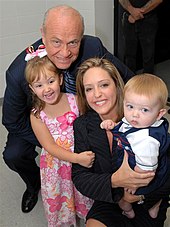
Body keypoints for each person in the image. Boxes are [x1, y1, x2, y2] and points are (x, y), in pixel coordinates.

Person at [2, 5, 134, 213]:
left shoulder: (92, 47)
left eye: (73, 42)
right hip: (41, 121)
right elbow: (11, 121)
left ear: (81, 38)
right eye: (56, 42)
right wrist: (53, 144)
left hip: (79, 115)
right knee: (13, 154)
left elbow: (128, 79)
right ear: (43, 36)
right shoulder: (18, 72)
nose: (65, 53)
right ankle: (33, 184)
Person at [72, 57, 170, 227]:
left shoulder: (144, 119)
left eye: (104, 85)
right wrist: (115, 180)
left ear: (117, 86)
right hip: (110, 199)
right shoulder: (82, 125)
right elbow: (80, 178)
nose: (97, 94)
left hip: (147, 199)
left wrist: (140, 196)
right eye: (89, 89)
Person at [25, 54, 94, 226]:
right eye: (39, 85)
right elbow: (48, 146)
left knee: (82, 195)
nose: (46, 89)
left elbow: (89, 126)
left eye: (50, 81)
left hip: (80, 161)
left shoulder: (76, 101)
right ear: (32, 89)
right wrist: (77, 158)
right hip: (56, 167)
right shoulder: (36, 115)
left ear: (60, 79)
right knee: (63, 201)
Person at [100, 74, 170, 219]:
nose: (134, 114)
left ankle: (154, 203)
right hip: (136, 164)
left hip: (144, 174)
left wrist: (134, 183)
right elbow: (125, 126)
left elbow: (146, 171)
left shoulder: (147, 141)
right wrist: (113, 126)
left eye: (144, 110)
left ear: (159, 114)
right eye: (130, 106)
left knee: (125, 199)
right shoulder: (137, 121)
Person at [119, 0, 163, 73]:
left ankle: (147, 82)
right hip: (128, 18)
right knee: (129, 54)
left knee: (148, 56)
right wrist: (132, 10)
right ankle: (130, 81)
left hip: (148, 19)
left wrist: (137, 14)